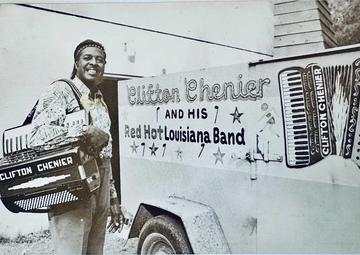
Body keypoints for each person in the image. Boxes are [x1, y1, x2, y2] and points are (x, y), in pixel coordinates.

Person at [29, 39, 124, 255]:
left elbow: (106, 154)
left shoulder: (100, 101)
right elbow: (37, 136)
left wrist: (113, 199)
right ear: (76, 63)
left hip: (99, 182)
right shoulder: (60, 90)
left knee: (94, 252)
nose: (94, 63)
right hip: (71, 182)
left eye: (100, 60)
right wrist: (84, 132)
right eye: (87, 58)